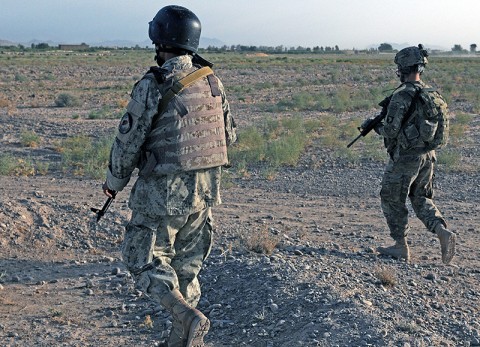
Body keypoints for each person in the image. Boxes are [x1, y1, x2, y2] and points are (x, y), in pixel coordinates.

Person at [101, 5, 236, 346]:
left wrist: (113, 183)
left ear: (160, 40)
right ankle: (185, 338)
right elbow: (229, 136)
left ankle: (186, 318)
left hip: (163, 191)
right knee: (186, 268)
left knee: (142, 257)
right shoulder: (211, 80)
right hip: (206, 190)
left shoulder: (155, 83)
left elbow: (128, 142)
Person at [363, 44, 456, 264]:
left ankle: (400, 246)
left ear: (404, 67)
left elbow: (390, 131)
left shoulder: (402, 96)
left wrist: (373, 126)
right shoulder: (432, 95)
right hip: (428, 156)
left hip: (406, 158)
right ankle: (442, 231)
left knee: (391, 197)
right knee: (421, 197)